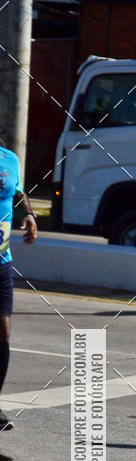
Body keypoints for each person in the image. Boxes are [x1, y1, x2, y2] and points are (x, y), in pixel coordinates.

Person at [0, 144, 37, 430]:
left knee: (3, 330)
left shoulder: (9, 158)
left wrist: (30, 215)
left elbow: (19, 191)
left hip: (2, 261)